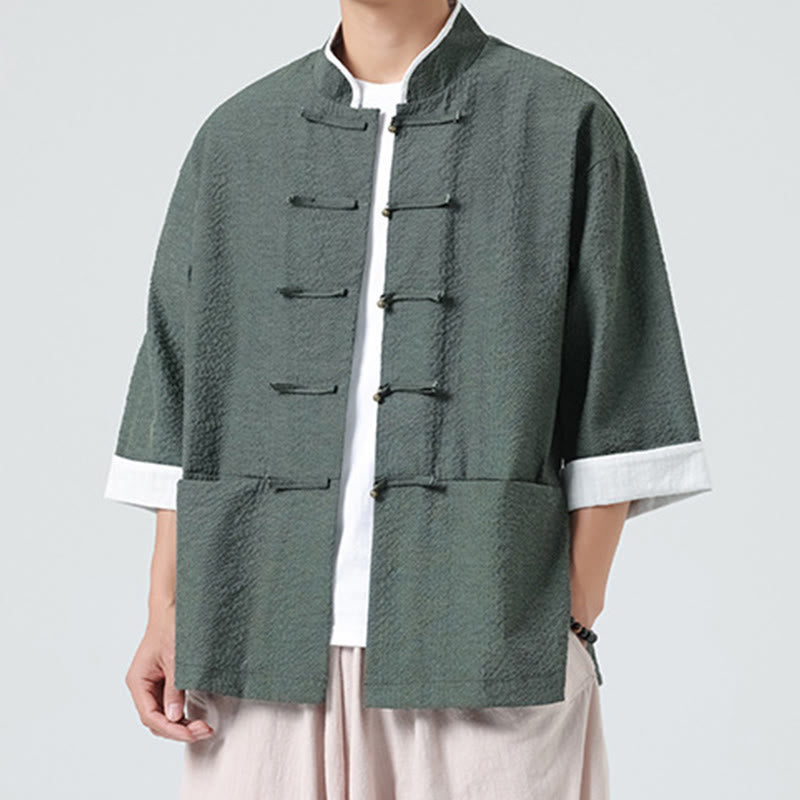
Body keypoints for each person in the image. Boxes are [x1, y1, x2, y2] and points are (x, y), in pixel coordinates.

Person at [103, 1, 713, 797]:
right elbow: (178, 380)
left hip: (486, 638)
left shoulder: (564, 120)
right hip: (255, 634)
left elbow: (624, 381)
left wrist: (570, 613)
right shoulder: (238, 136)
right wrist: (165, 609)